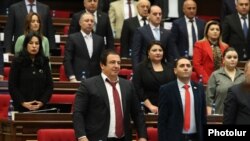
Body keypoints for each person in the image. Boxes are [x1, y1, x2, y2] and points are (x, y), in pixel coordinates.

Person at [73, 49, 147, 141]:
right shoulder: (88, 85)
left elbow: (137, 113)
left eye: (118, 63)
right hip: (97, 138)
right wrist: (82, 137)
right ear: (102, 65)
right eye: (112, 62)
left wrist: (142, 136)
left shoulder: (128, 85)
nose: (116, 66)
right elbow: (78, 113)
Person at [158, 57, 206, 141]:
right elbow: (162, 120)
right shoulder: (166, 89)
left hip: (195, 136)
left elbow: (203, 116)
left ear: (191, 69)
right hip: (174, 137)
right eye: (182, 66)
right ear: (175, 70)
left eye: (188, 66)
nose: (185, 68)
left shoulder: (199, 88)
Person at [8, 32, 53, 112]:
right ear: (26, 45)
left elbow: (49, 86)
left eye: (37, 43)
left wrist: (42, 102)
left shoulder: (44, 61)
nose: (34, 46)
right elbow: (12, 86)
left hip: (41, 108)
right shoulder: (17, 61)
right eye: (31, 43)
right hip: (21, 108)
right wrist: (23, 103)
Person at [133, 41, 175, 114]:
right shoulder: (140, 68)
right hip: (148, 107)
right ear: (148, 52)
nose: (158, 53)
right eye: (154, 50)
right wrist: (150, 106)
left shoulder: (170, 67)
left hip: (169, 106)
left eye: (160, 50)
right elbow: (138, 89)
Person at [64, 13, 105, 82]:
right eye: (87, 21)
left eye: (92, 21)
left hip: (96, 78)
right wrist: (72, 77)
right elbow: (67, 59)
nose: (89, 23)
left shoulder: (99, 39)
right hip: (78, 78)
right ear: (80, 23)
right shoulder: (73, 38)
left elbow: (102, 60)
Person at [206, 47, 245, 115]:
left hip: (241, 117)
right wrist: (210, 117)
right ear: (223, 60)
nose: (232, 59)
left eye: (235, 57)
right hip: (221, 116)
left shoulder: (243, 75)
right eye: (229, 57)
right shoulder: (215, 75)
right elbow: (209, 99)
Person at [193, 20, 228, 84]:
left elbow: (226, 65)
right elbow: (197, 64)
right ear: (207, 32)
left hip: (221, 80)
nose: (215, 31)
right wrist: (208, 81)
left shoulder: (225, 46)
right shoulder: (199, 44)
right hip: (205, 79)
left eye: (217, 30)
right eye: (212, 29)